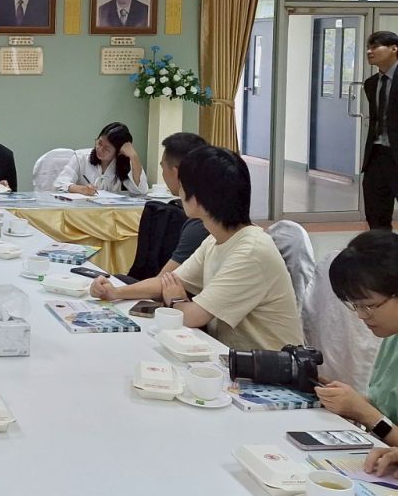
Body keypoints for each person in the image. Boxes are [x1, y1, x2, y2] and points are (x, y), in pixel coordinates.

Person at [91, 146, 304, 351]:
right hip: (230, 356)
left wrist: (176, 300)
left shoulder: (251, 251)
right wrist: (115, 292)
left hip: (271, 369)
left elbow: (192, 316)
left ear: (199, 199)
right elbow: (167, 282)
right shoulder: (216, 239)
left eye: (183, 186)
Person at [311, 230, 398, 449]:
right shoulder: (392, 337)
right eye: (355, 305)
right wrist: (347, 401)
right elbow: (387, 409)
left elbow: (380, 419)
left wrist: (366, 414)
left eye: (368, 306)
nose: (360, 315)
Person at [111, 132, 210, 286]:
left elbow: (162, 283)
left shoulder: (199, 224)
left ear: (176, 172)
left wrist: (114, 291)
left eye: (163, 167)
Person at [361, 30, 398, 229]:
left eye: (375, 47)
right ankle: (382, 247)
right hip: (376, 156)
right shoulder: (371, 84)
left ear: (394, 48)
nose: (369, 51)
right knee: (376, 215)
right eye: (368, 47)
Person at [53, 121, 149, 195]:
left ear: (119, 152)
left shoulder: (124, 163)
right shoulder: (81, 157)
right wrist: (81, 189)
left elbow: (141, 191)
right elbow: (59, 184)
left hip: (112, 211)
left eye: (107, 149)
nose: (100, 149)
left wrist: (134, 156)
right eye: (99, 143)